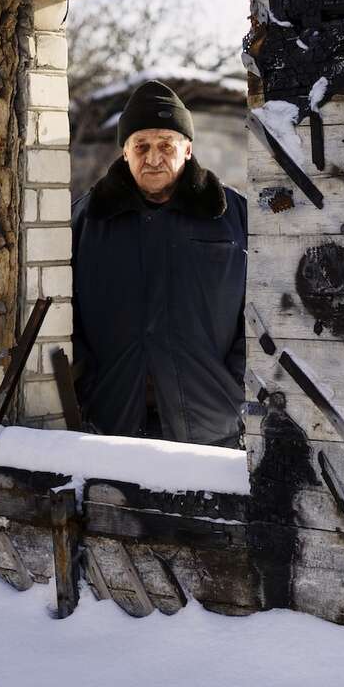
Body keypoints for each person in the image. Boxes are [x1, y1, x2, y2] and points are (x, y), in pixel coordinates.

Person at [71, 80, 247, 448]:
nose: (153, 158)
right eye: (142, 146)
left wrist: (235, 386)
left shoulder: (236, 217)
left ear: (187, 149)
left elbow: (263, 313)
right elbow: (64, 314)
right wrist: (88, 385)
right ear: (125, 152)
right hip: (112, 422)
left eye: (166, 145)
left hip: (212, 425)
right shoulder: (86, 220)